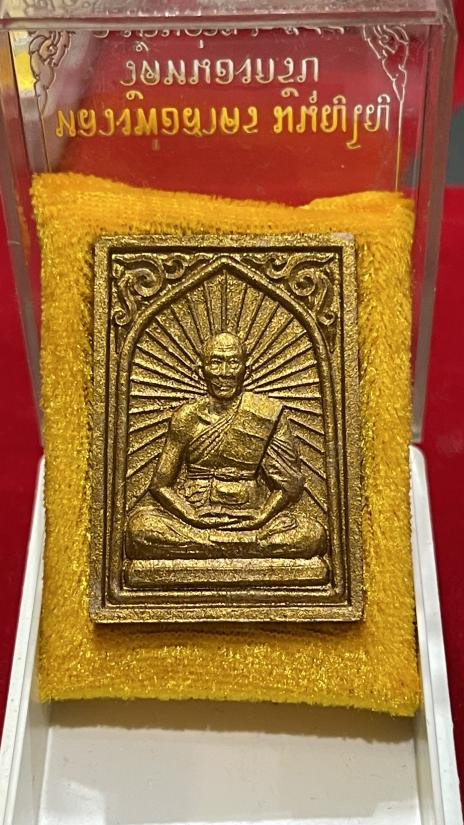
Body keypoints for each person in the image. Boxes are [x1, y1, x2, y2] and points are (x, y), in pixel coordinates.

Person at [126, 332, 326, 559]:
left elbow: (289, 486)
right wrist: (190, 516)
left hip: (251, 516)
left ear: (246, 369)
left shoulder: (266, 413)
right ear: (200, 370)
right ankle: (238, 547)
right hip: (195, 516)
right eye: (215, 362)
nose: (224, 373)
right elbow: (160, 485)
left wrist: (261, 517)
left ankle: (212, 546)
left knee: (311, 534)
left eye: (233, 363)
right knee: (140, 529)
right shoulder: (186, 416)